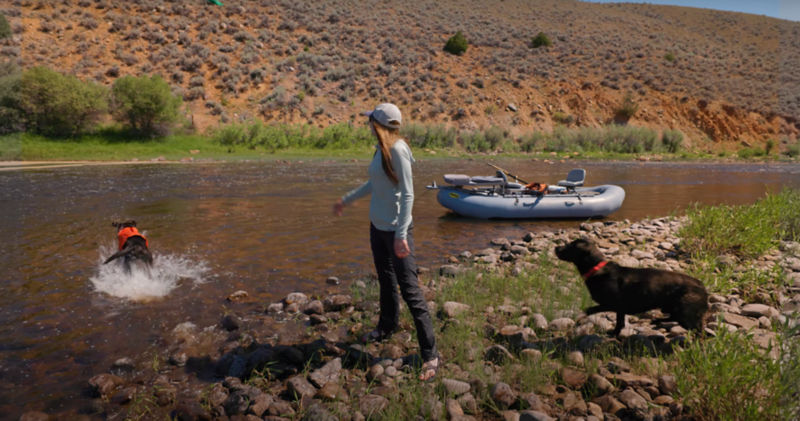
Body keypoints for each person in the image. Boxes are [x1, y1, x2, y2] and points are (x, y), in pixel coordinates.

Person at [332, 103, 439, 381]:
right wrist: (348, 199)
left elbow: (408, 195)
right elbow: (375, 184)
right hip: (377, 227)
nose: (367, 125)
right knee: (386, 279)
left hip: (396, 231)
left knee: (410, 290)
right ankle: (387, 326)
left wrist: (402, 234)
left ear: (378, 125)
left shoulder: (400, 150)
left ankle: (430, 355)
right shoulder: (381, 150)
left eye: (370, 122)